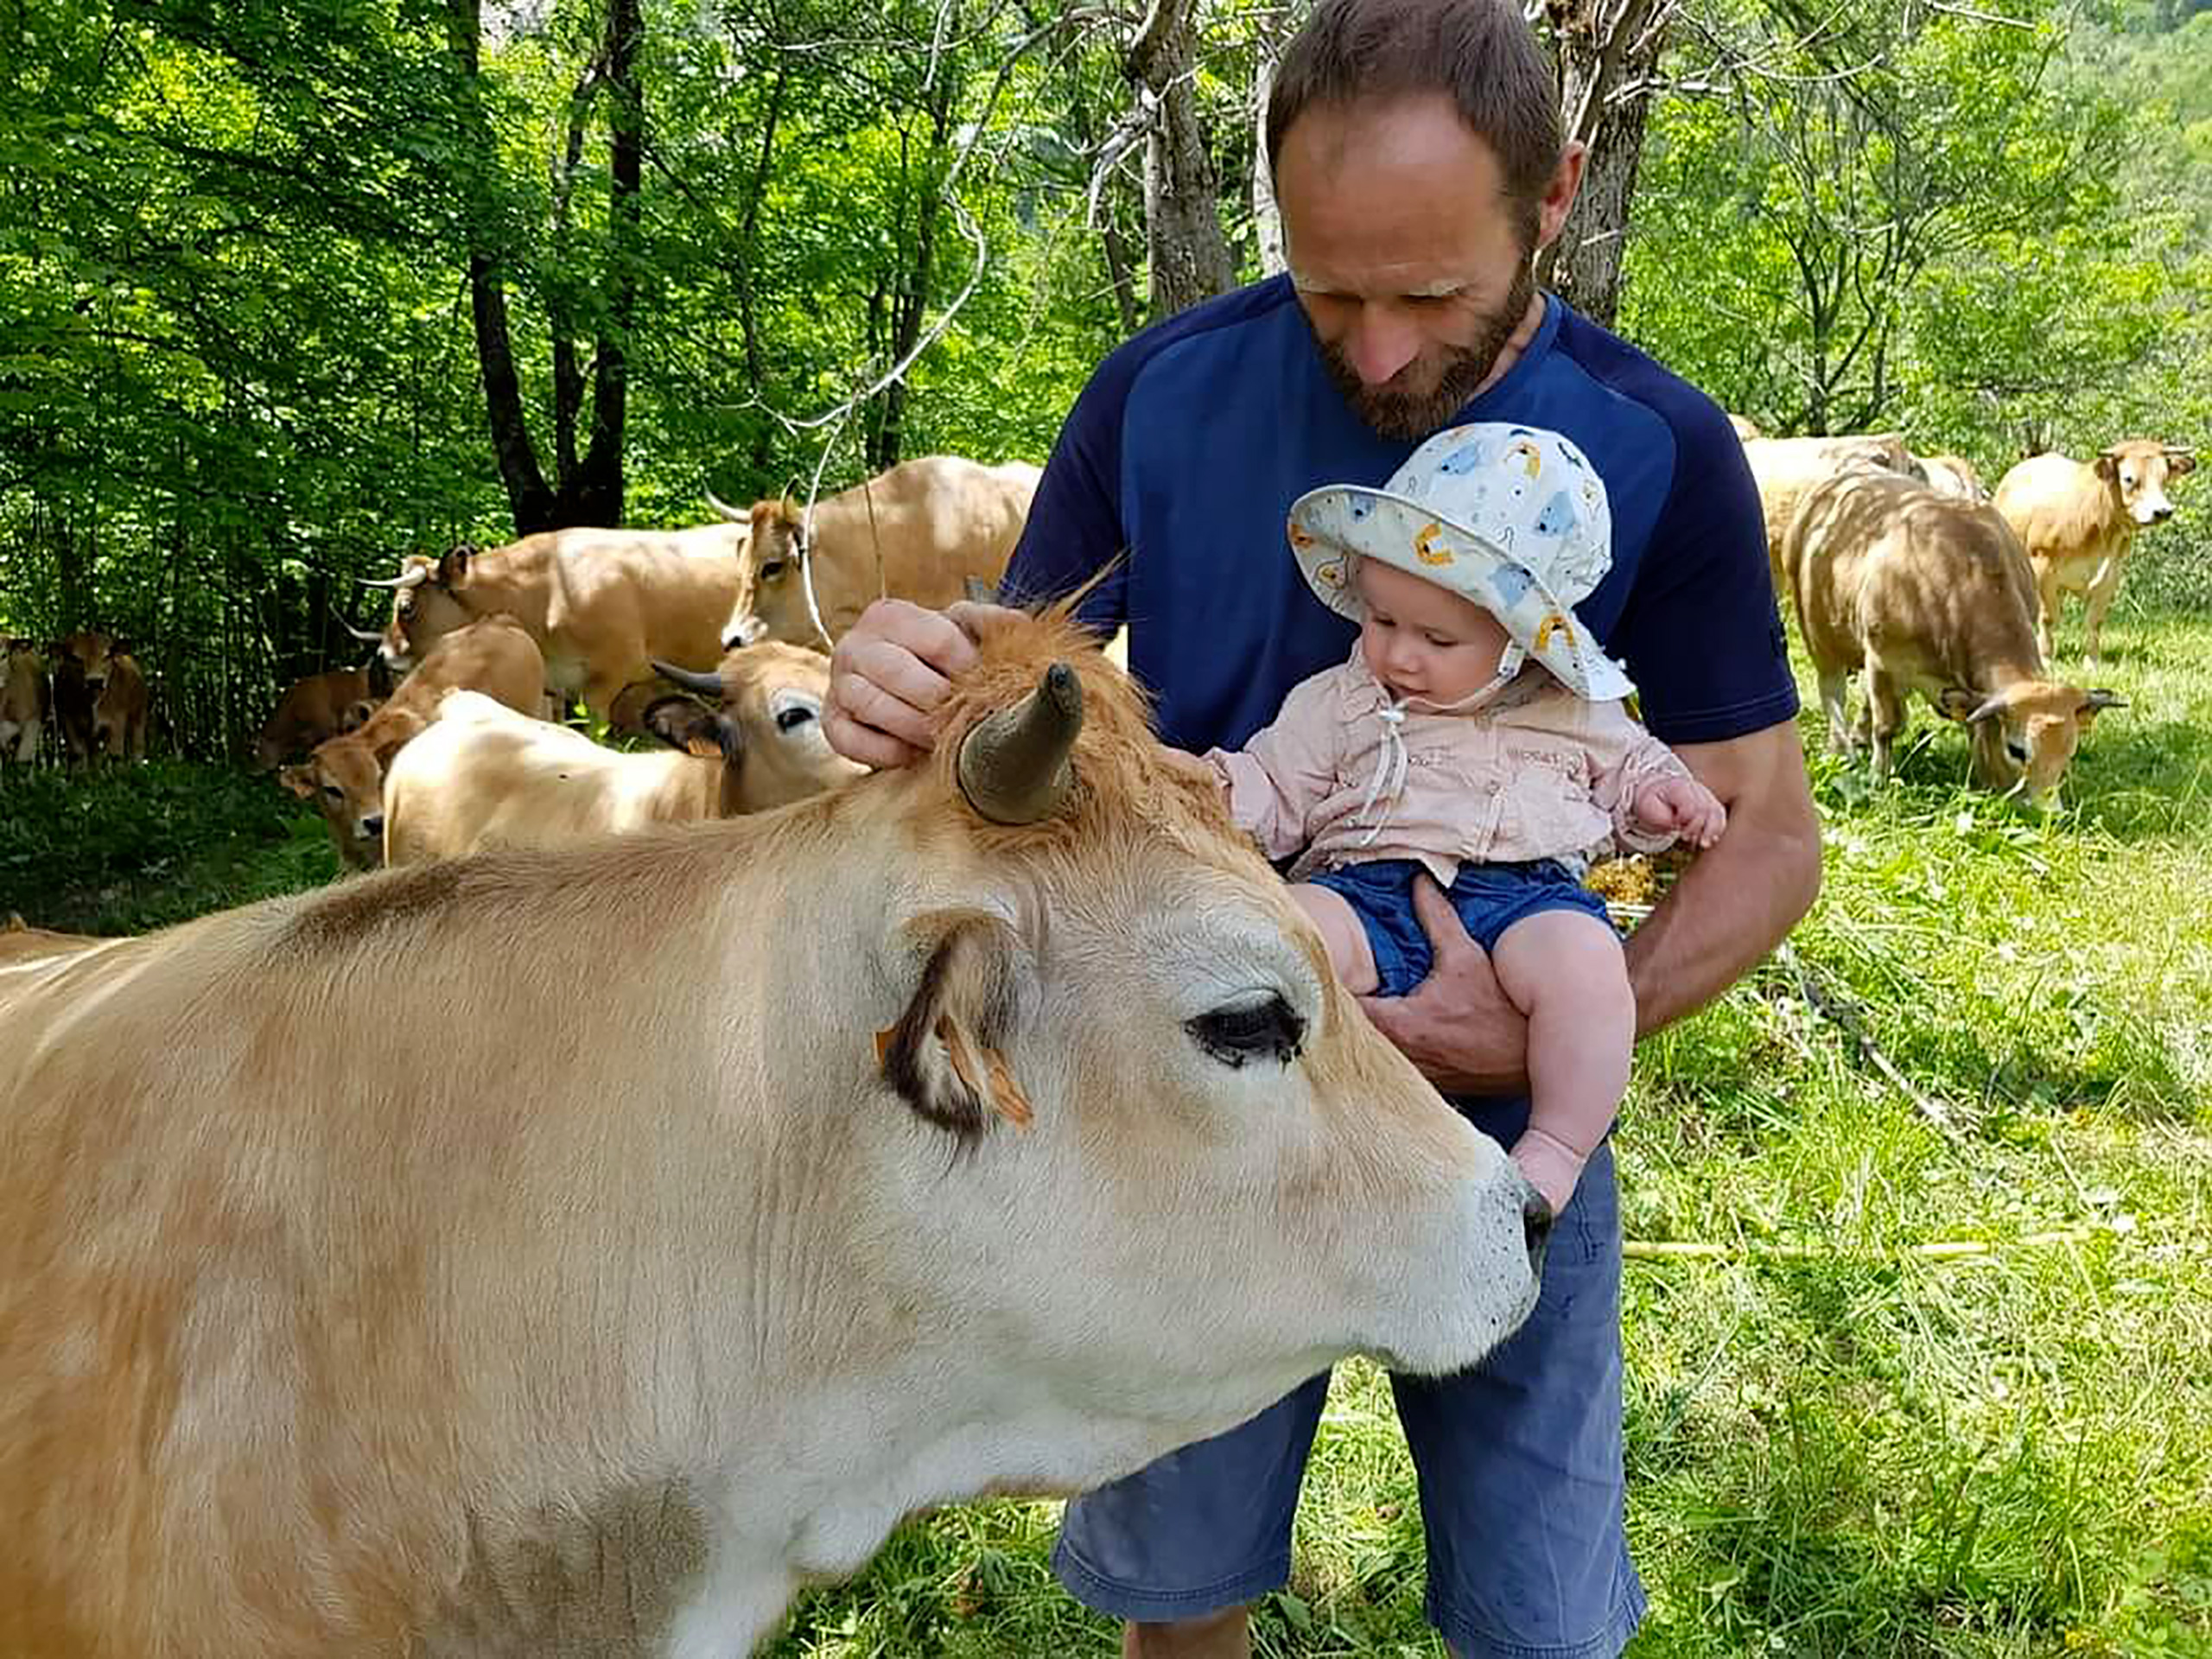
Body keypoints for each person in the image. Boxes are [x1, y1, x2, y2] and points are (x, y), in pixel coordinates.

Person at [822, 0, 1824, 1653]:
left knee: (1541, 1622)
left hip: (1513, 1144)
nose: (1369, 350)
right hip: (1186, 1119)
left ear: (1555, 192)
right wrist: (890, 684)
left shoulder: (1659, 448)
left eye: (1429, 294)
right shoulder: (1157, 396)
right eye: (1326, 286)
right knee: (1180, 1588)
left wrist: (1535, 1028)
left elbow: (1768, 835)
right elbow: (998, 698)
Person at [1195, 423, 1726, 1216]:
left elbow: (1629, 773)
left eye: (1437, 637)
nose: (1398, 657)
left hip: (1528, 898)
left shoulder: (1575, 708)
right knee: (1283, 933)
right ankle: (1254, 1130)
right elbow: (1278, 787)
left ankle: (1555, 1147)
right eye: (1380, 622)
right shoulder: (1343, 701)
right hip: (1365, 889)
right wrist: (1205, 792)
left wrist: (1659, 802)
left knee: (1587, 971)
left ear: (1519, 644)